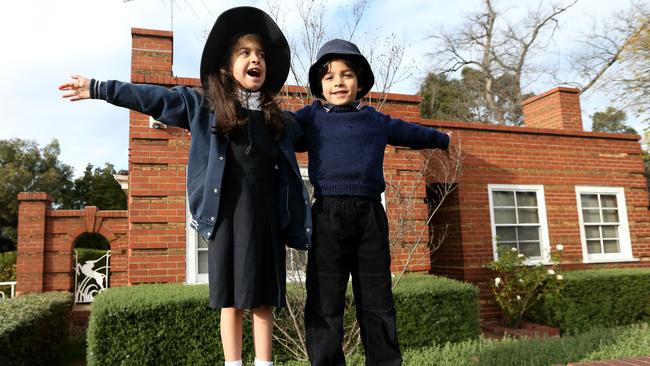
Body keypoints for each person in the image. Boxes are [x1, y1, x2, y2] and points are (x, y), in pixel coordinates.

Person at [59, 7, 312, 366]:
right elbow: (155, 99)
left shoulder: (279, 120)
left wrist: (345, 113)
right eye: (245, 53)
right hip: (226, 219)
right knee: (230, 300)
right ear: (227, 65)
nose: (255, 59)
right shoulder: (203, 106)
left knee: (264, 298)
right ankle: (233, 363)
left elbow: (318, 130)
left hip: (267, 220)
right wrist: (100, 88)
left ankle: (264, 363)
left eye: (260, 55)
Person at [293, 39, 451, 366]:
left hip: (369, 218)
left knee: (377, 300)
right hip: (327, 216)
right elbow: (276, 127)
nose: (338, 81)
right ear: (320, 85)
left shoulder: (374, 120)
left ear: (360, 82)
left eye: (346, 74)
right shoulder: (310, 117)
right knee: (324, 301)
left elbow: (409, 132)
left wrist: (441, 138)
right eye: (329, 76)